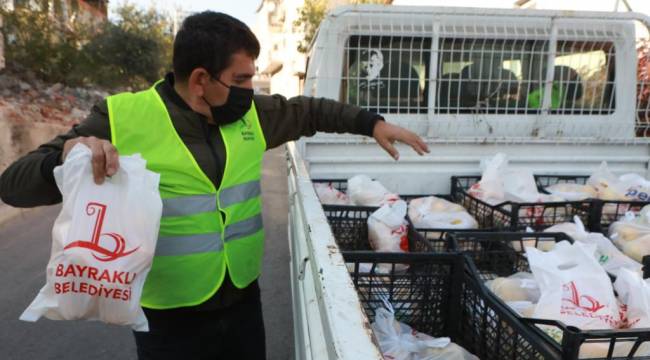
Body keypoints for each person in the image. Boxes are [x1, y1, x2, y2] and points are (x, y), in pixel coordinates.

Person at [0, 11, 429, 360]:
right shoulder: (122, 117)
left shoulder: (251, 116)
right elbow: (14, 186)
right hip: (169, 319)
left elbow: (310, 112)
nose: (250, 89)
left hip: (241, 301)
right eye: (241, 79)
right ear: (201, 78)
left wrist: (371, 124)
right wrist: (70, 154)